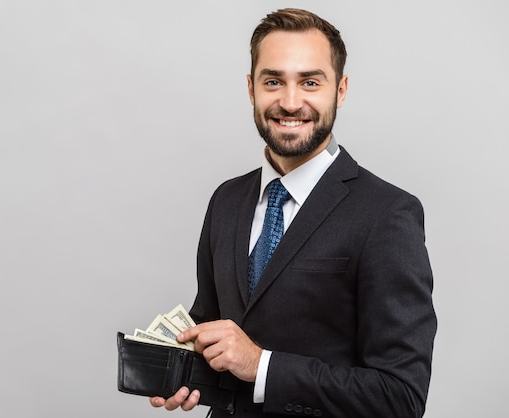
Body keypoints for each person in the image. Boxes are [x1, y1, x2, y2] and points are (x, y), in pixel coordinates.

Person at [150, 8, 437, 417]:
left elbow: (400, 397)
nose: (289, 102)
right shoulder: (226, 200)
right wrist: (185, 374)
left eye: (310, 82)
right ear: (251, 88)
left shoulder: (388, 214)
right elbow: (214, 331)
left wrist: (262, 365)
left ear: (340, 90)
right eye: (273, 81)